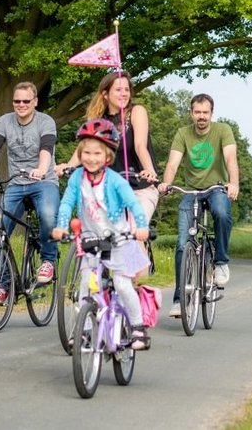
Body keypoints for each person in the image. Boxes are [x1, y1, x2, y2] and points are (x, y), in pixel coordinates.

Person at [52, 118, 152, 350]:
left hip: (120, 239)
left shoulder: (115, 180)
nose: (91, 158)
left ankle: (138, 327)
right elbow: (67, 202)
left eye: (97, 153)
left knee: (122, 284)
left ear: (107, 156)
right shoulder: (77, 177)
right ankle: (85, 332)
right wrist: (61, 225)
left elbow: (134, 205)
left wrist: (141, 226)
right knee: (87, 285)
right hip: (91, 239)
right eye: (86, 152)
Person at [0, 81, 60, 304]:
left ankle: (48, 261)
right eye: (17, 101)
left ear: (35, 102)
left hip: (43, 182)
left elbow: (46, 149)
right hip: (16, 184)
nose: (21, 105)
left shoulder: (45, 122)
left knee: (47, 215)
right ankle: (3, 285)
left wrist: (42, 170)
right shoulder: (4, 122)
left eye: (26, 101)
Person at [157, 93, 240, 318]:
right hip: (191, 190)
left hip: (217, 187)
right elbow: (173, 162)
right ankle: (178, 299)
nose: (201, 117)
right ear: (191, 113)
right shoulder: (183, 133)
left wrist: (234, 183)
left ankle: (221, 261)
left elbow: (231, 158)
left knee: (222, 213)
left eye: (205, 112)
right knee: (183, 244)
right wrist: (167, 182)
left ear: (211, 114)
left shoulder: (222, 130)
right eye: (197, 112)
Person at [58, 70, 160, 222]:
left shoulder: (136, 112)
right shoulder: (99, 120)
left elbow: (140, 146)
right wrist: (67, 166)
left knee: (134, 234)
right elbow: (84, 148)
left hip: (139, 188)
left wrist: (149, 169)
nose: (124, 93)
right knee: (92, 235)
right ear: (105, 94)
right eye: (118, 89)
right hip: (110, 189)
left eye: (126, 90)